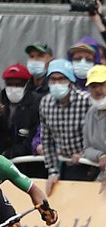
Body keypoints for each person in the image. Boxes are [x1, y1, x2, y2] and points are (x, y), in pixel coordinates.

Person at [0, 64, 45, 178]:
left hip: (27, 167)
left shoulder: (38, 103)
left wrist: (9, 154)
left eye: (19, 84)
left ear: (27, 84)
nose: (14, 88)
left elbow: (35, 135)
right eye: (10, 84)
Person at [38, 59, 94, 195]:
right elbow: (47, 140)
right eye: (53, 79)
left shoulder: (87, 101)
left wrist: (84, 154)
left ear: (70, 80)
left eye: (61, 79)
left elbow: (97, 134)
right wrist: (52, 171)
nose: (57, 83)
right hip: (62, 161)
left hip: (88, 164)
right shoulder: (45, 103)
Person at [79, 65, 106, 194]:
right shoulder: (91, 112)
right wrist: (100, 156)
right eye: (94, 86)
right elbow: (87, 148)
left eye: (102, 84)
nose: (98, 90)